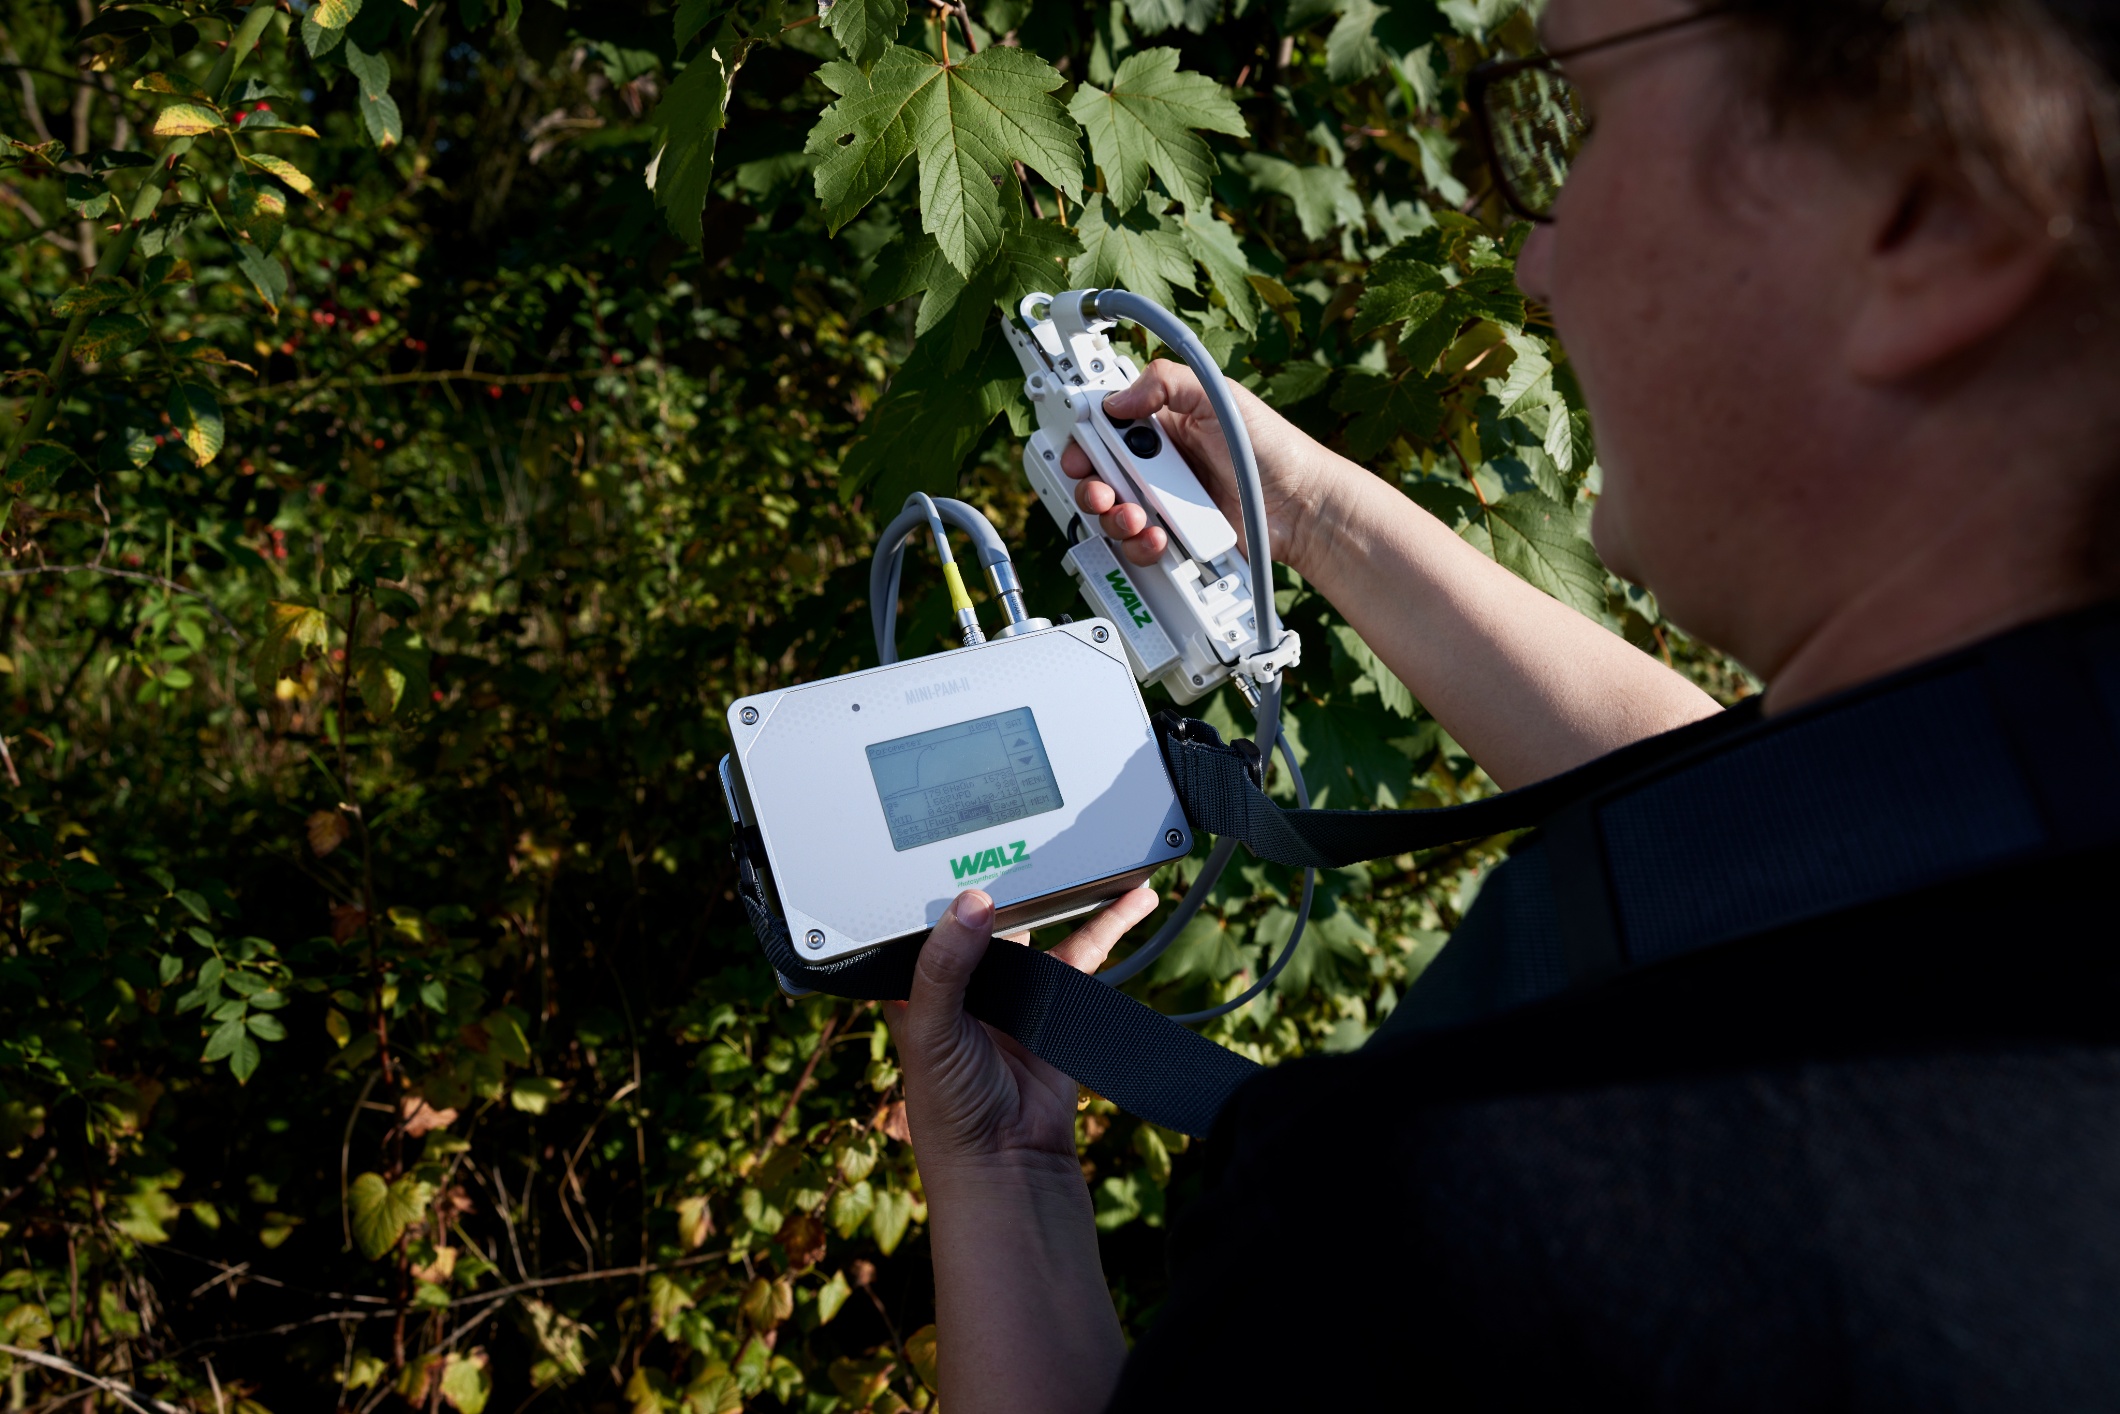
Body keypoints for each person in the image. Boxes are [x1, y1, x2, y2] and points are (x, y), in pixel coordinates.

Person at [887, 0, 2120, 1407]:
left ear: (1933, 217)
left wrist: (999, 1169)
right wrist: (1304, 513)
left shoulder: (1456, 1238)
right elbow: (1759, 853)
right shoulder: (2030, 825)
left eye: (1574, 124)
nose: (1537, 266)